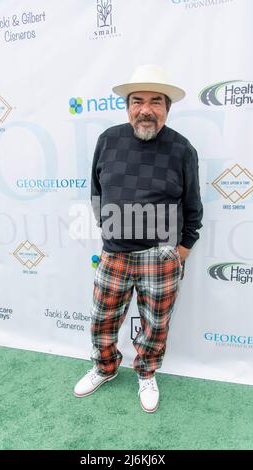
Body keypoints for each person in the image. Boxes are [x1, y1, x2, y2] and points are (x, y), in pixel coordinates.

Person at [74, 65, 203, 413]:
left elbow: (193, 206)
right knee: (102, 318)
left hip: (161, 258)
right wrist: (110, 230)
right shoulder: (108, 140)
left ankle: (146, 372)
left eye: (155, 102)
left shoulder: (182, 149)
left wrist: (180, 252)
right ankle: (106, 367)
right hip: (114, 254)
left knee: (155, 324)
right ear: (128, 106)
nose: (146, 109)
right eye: (137, 101)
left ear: (167, 108)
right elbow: (96, 192)